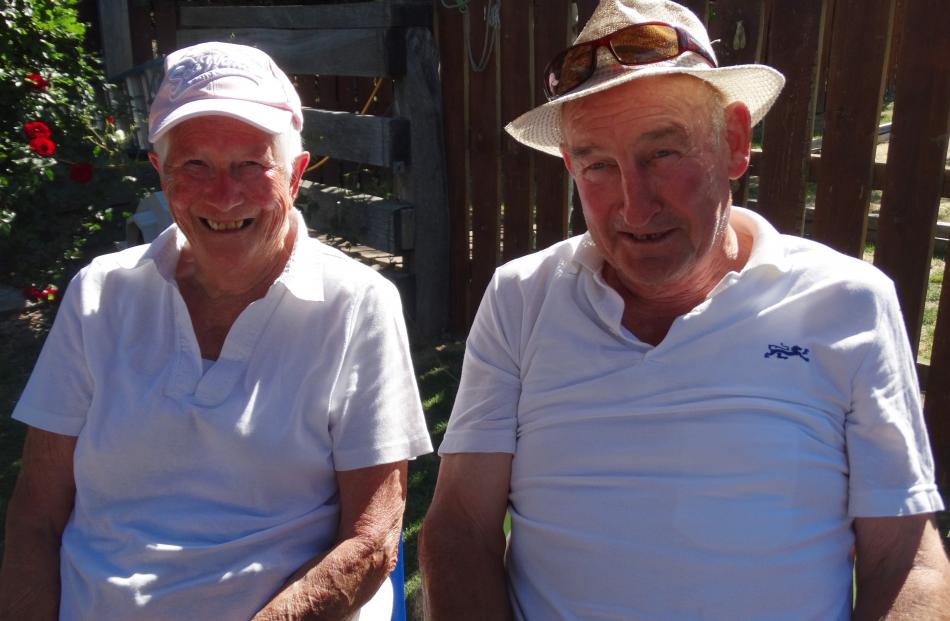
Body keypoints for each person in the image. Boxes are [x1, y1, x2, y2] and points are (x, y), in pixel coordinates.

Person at [419, 1, 950, 619]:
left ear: (734, 141)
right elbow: (458, 526)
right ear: (569, 165)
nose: (634, 208)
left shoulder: (849, 302)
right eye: (597, 166)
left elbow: (907, 560)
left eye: (663, 154)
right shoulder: (522, 298)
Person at [0, 42, 432, 621]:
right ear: (160, 173)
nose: (223, 195)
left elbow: (372, 539)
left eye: (250, 165)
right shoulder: (100, 294)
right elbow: (36, 513)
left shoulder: (355, 304)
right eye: (194, 165)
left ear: (296, 175)